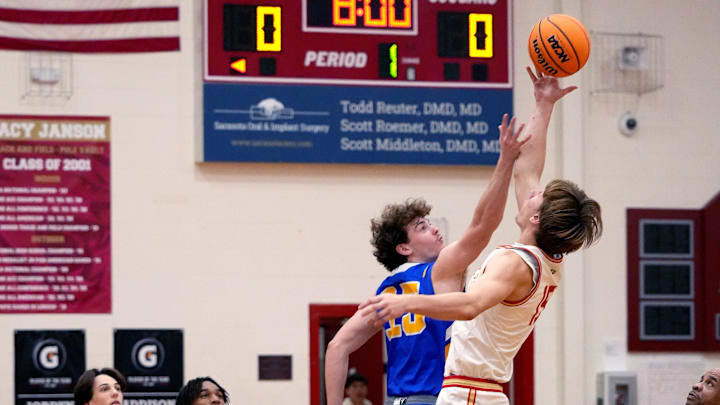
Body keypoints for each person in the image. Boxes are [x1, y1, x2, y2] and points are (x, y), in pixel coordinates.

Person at [359, 67, 602, 405]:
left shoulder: (514, 262)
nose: (532, 190)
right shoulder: (547, 254)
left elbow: (471, 305)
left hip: (469, 394)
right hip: (477, 391)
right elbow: (528, 169)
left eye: (537, 195)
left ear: (535, 217)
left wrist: (406, 302)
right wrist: (544, 105)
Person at [325, 111, 530, 405]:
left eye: (429, 222)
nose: (434, 227)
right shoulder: (438, 270)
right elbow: (484, 224)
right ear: (404, 248)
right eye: (421, 227)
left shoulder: (386, 290)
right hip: (439, 398)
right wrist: (505, 161)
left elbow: (336, 347)